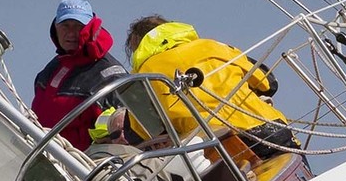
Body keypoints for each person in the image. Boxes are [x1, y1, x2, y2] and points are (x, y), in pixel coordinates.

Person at [125, 15, 299, 160]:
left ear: (137, 49)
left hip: (217, 151)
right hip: (269, 129)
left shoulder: (142, 79)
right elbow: (268, 83)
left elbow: (144, 134)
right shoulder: (212, 46)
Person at [31, 0, 127, 151]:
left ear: (90, 28)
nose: (71, 33)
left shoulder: (111, 74)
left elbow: (127, 131)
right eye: (65, 26)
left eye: (78, 26)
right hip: (40, 154)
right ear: (55, 27)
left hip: (81, 166)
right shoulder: (53, 67)